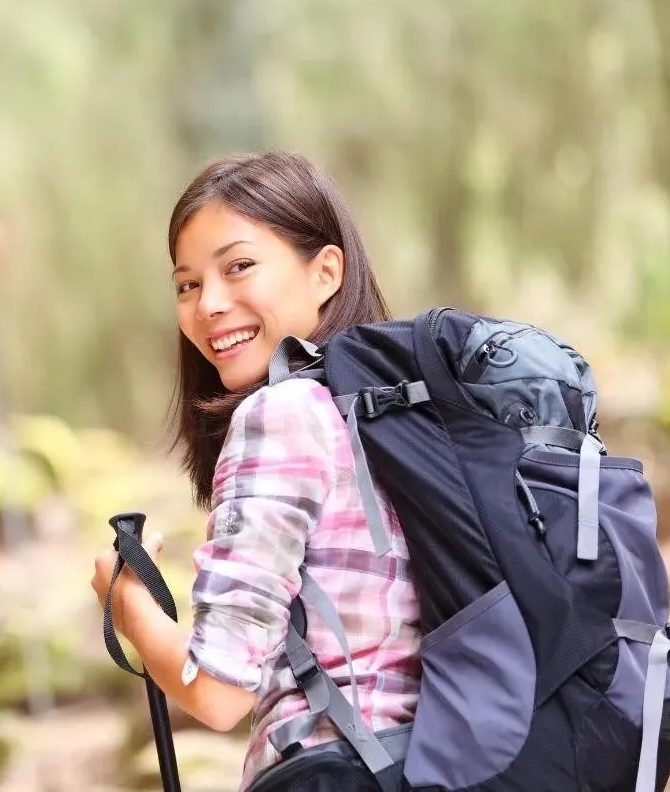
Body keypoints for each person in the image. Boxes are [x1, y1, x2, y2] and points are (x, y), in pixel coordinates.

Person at [91, 152, 423, 791]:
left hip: (335, 770)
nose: (208, 304)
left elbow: (216, 693)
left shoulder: (284, 415)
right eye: (186, 284)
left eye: (239, 266)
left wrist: (126, 602)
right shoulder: (388, 413)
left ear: (326, 270)